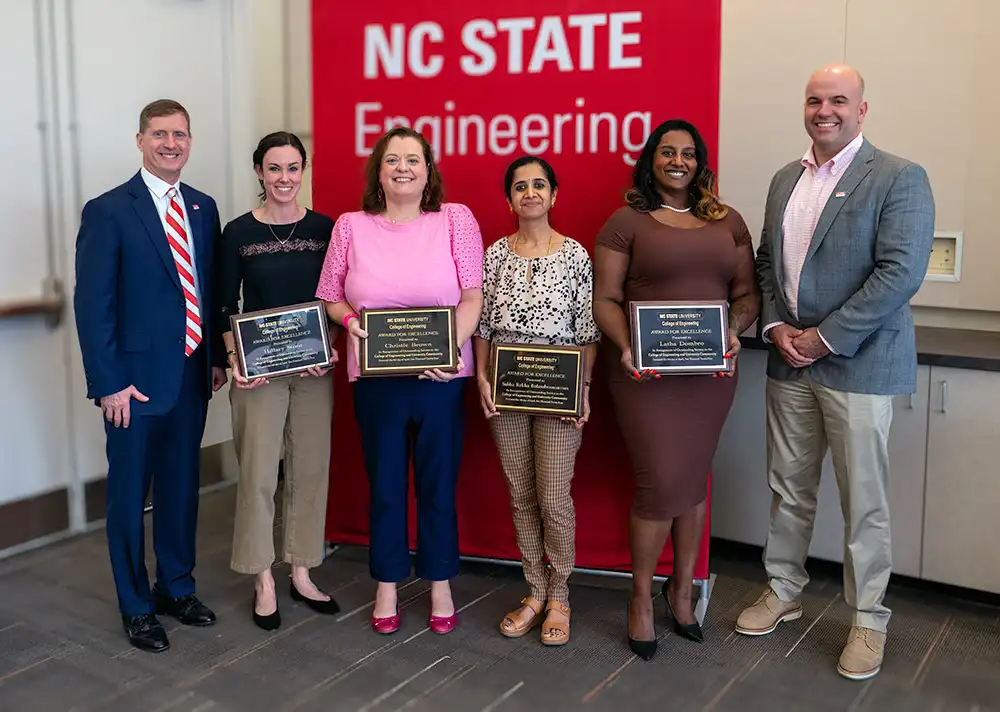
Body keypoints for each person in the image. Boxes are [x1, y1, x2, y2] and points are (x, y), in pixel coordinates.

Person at [737, 64, 935, 681]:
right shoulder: (782, 180)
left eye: (839, 100)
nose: (826, 110)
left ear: (862, 109)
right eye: (815, 100)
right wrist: (774, 328)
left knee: (864, 503)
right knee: (788, 489)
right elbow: (768, 262)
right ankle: (784, 589)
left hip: (859, 363)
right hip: (789, 360)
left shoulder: (899, 177)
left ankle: (869, 618)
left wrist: (824, 338)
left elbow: (899, 273)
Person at [592, 118, 761, 660]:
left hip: (709, 375)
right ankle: (641, 597)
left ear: (700, 162)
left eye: (688, 153)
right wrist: (626, 345)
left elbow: (746, 293)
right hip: (644, 373)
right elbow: (606, 299)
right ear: (651, 160)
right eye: (667, 152)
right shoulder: (626, 221)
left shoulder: (728, 221)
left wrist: (733, 332)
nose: (678, 161)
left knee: (691, 479)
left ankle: (682, 590)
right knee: (660, 482)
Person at [315, 126, 484, 636]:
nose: (403, 168)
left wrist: (450, 348)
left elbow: (472, 297)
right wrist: (352, 324)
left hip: (440, 377)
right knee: (385, 486)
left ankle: (439, 583)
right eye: (393, 160)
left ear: (428, 170)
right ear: (379, 170)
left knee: (437, 484)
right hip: (377, 380)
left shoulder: (455, 220)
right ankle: (386, 583)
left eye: (414, 159)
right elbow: (331, 296)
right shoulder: (350, 226)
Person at [73, 99, 227, 653]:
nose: (170, 143)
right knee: (128, 496)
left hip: (190, 377)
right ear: (140, 140)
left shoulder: (204, 209)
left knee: (183, 489)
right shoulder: (109, 210)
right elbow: (93, 305)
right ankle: (136, 606)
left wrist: (213, 358)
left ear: (190, 141)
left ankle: (176, 588)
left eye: (180, 134)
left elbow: (204, 291)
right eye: (159, 134)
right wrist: (107, 382)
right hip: (132, 386)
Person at [214, 132, 341, 631]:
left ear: (303, 170)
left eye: (292, 168)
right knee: (260, 474)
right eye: (274, 169)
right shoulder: (238, 232)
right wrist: (234, 358)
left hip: (313, 369)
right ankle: (262, 577)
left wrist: (328, 341)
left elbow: (334, 294)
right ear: (260, 173)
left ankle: (302, 570)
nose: (284, 178)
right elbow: (224, 303)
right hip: (257, 370)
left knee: (311, 470)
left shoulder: (325, 228)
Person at [474, 156, 600, 647]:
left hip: (558, 391)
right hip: (506, 389)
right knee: (521, 493)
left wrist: (583, 388)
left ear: (553, 195)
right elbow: (483, 327)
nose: (530, 192)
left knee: (553, 496)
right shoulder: (494, 255)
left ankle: (560, 596)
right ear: (509, 199)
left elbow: (587, 332)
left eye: (539, 185)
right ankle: (534, 590)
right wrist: (482, 379)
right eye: (520, 186)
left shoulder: (574, 255)